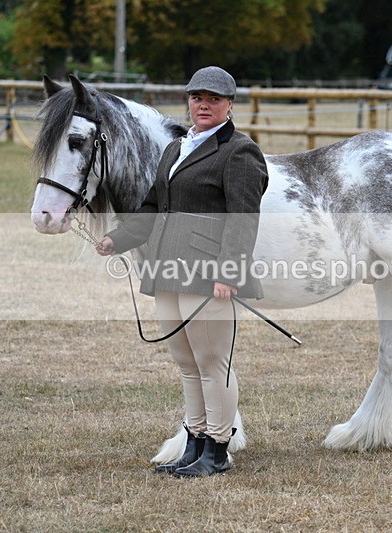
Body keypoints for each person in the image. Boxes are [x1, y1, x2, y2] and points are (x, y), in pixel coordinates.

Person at [96, 66, 268, 478]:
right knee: (187, 363)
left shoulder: (239, 152)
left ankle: (218, 450)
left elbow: (244, 218)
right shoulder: (175, 150)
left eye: (212, 99)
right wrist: (118, 240)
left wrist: (229, 270)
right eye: (196, 98)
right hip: (168, 268)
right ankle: (194, 444)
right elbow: (156, 207)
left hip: (208, 272)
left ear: (229, 105)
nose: (203, 105)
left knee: (213, 363)